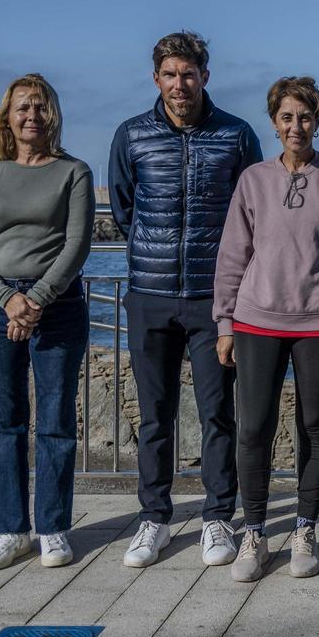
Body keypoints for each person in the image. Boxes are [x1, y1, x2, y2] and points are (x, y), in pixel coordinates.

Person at [108, 32, 262, 568]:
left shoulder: (236, 135)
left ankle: (218, 517)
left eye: (189, 74)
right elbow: (124, 210)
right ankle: (154, 518)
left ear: (205, 76)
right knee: (155, 416)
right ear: (157, 79)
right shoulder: (131, 135)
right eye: (170, 75)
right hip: (149, 296)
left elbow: (251, 214)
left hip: (214, 299)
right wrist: (153, 255)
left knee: (218, 413)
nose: (180, 84)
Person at [213, 76, 319, 581]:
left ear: (317, 121)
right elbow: (233, 254)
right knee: (253, 427)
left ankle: (305, 528)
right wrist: (224, 322)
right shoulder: (253, 180)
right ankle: (255, 533)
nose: (296, 126)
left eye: (304, 117)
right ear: (274, 123)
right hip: (257, 320)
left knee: (315, 426)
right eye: (286, 117)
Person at [0, 74, 94, 570]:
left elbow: (77, 244)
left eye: (40, 107)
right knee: (5, 422)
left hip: (57, 307)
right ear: (8, 116)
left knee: (56, 422)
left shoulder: (73, 171)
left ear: (52, 115)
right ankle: (10, 531)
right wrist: (7, 299)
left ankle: (54, 528)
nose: (31, 116)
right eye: (22, 107)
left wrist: (35, 299)